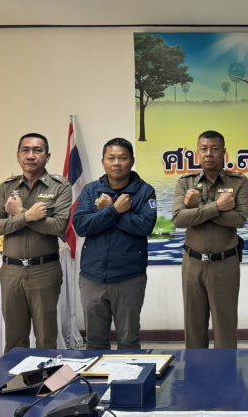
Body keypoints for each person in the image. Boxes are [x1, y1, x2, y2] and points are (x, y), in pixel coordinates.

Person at [0, 133, 72, 352]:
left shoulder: (60, 186)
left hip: (44, 270)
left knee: (46, 338)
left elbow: (58, 227)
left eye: (37, 150)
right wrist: (26, 216)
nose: (31, 155)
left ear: (47, 156)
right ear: (18, 155)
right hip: (11, 271)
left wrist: (18, 212)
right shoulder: (7, 187)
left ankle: (47, 376)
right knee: (15, 340)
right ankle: (17, 375)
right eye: (25, 150)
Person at [74, 137, 156, 350]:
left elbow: (145, 226)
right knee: (95, 342)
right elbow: (81, 226)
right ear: (103, 161)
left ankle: (128, 373)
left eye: (122, 158)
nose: (117, 163)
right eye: (111, 158)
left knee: (129, 341)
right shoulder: (91, 190)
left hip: (129, 277)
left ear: (132, 161)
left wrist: (109, 211)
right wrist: (115, 210)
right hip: (92, 277)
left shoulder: (145, 191)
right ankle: (97, 374)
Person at [172, 130, 248, 348]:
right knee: (194, 328)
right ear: (197, 153)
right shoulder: (185, 183)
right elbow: (179, 219)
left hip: (225, 263)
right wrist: (217, 206)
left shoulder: (239, 182)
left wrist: (197, 208)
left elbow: (239, 219)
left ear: (224, 153)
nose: (209, 154)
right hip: (192, 264)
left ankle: (225, 370)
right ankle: (196, 370)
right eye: (204, 149)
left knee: (225, 328)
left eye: (215, 149)